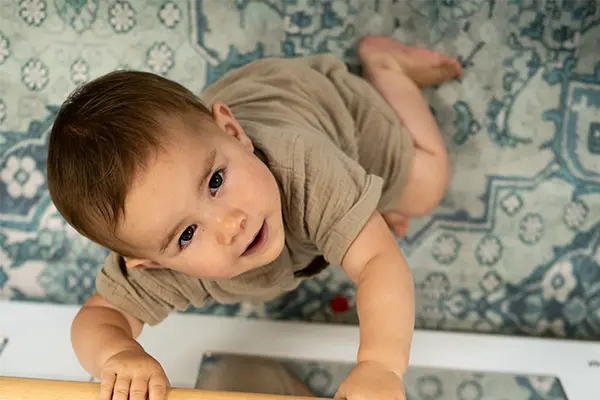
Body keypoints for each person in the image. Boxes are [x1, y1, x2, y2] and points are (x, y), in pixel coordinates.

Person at [47, 36, 463, 400]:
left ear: (232, 132)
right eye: (188, 234)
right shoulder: (153, 241)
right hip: (220, 127)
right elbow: (97, 318)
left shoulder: (307, 171)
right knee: (355, 217)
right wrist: (118, 355)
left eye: (215, 182)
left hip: (329, 107)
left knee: (426, 185)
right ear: (151, 265)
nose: (231, 224)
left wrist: (380, 365)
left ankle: (387, 68)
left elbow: (380, 263)